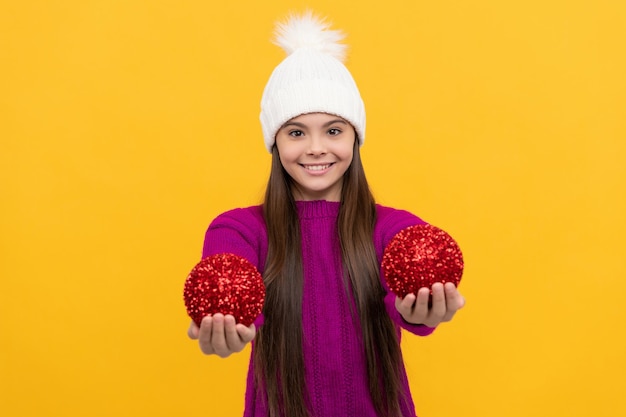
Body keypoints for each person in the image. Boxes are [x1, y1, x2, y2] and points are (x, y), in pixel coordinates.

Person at [187, 11, 465, 417]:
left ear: (356, 136)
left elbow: (414, 302)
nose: (316, 147)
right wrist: (224, 317)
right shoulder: (239, 229)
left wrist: (419, 312)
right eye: (297, 132)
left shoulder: (394, 228)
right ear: (275, 142)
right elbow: (223, 272)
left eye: (334, 130)